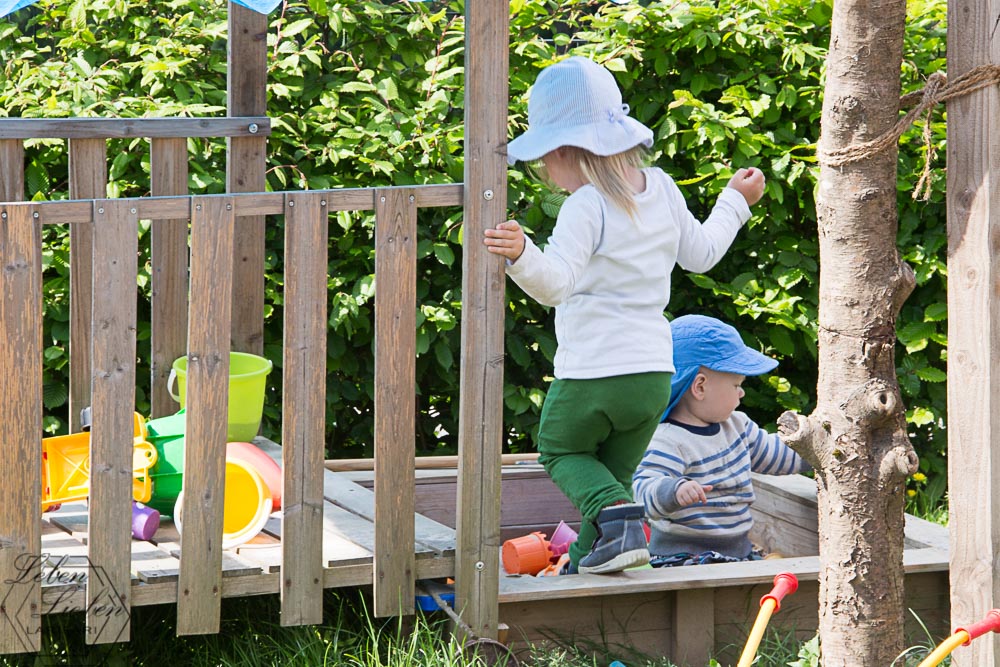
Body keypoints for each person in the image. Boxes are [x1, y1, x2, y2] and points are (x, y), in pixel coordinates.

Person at [483, 56, 766, 575]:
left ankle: (613, 522)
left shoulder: (586, 205)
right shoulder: (661, 188)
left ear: (568, 150)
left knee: (561, 453)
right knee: (613, 480)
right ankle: (587, 564)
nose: (546, 171)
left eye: (546, 158)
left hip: (594, 374)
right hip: (653, 378)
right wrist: (733, 200)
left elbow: (556, 285)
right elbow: (702, 254)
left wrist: (521, 253)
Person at [632, 314, 809, 567]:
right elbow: (642, 490)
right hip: (681, 558)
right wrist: (673, 490)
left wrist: (815, 451)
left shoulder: (738, 427)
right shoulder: (668, 440)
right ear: (700, 387)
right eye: (736, 384)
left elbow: (776, 456)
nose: (742, 392)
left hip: (736, 552)